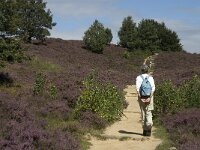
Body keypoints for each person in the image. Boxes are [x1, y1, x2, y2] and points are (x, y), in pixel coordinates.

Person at [136, 64, 155, 136]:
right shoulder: (151, 78)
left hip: (141, 97)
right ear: (148, 70)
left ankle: (144, 130)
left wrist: (141, 97)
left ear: (141, 70)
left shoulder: (138, 77)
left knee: (143, 113)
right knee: (148, 111)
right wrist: (149, 97)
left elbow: (137, 89)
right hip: (149, 96)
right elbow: (153, 89)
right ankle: (149, 127)